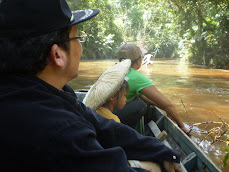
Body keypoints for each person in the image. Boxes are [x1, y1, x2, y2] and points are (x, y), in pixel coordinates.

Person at [0, 0, 181, 171]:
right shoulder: (61, 132)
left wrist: (162, 151)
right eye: (78, 37)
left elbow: (102, 126)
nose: (81, 46)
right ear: (57, 55)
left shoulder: (51, 92)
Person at [115, 42, 189, 135]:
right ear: (138, 61)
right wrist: (182, 126)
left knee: (139, 98)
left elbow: (142, 96)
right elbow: (168, 105)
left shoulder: (115, 69)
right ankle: (129, 133)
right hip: (113, 117)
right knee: (141, 104)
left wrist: (160, 106)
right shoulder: (136, 77)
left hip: (104, 112)